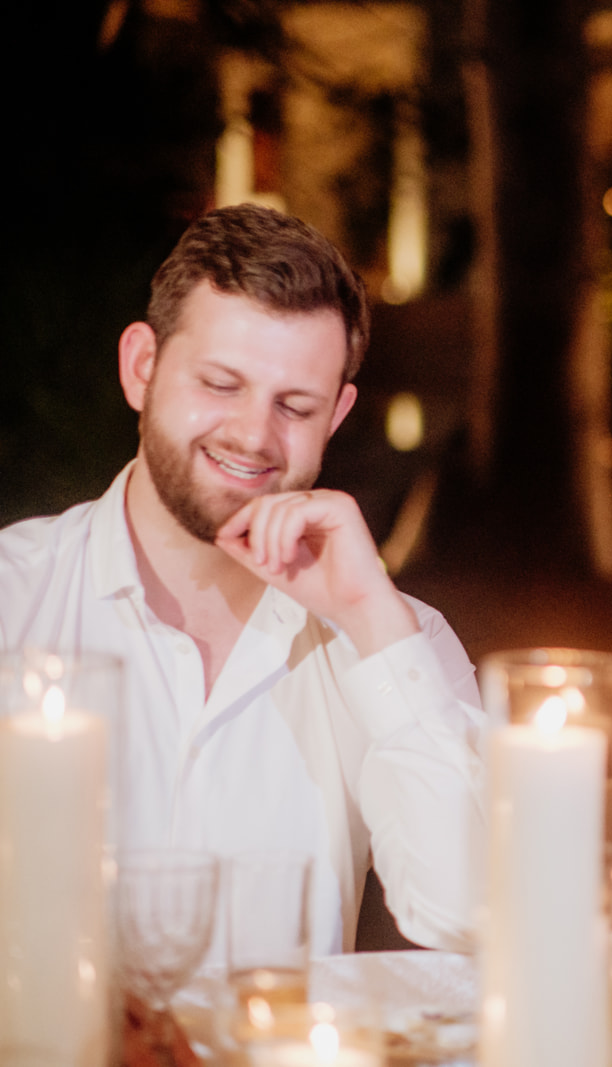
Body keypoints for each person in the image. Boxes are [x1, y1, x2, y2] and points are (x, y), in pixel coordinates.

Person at [0, 204, 485, 957]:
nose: (254, 436)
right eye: (222, 384)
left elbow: (474, 915)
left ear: (338, 414)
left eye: (295, 406)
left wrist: (368, 616)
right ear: (142, 368)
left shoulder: (395, 637)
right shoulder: (13, 598)